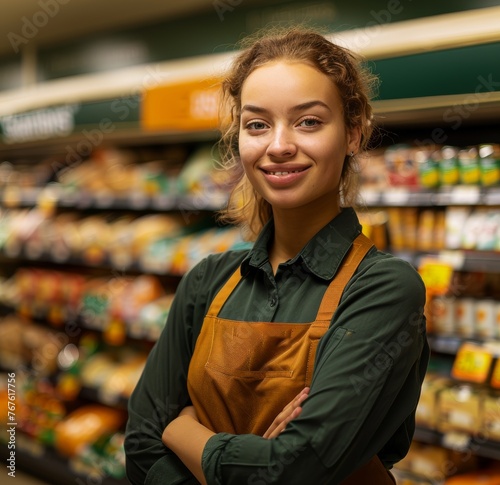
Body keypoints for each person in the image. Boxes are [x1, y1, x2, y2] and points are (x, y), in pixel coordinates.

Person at [124, 26, 429, 485]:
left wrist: (182, 429)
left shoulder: (384, 290)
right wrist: (253, 459)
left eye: (308, 121)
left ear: (353, 133)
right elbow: (141, 448)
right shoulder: (206, 282)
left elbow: (292, 469)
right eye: (257, 124)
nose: (279, 145)